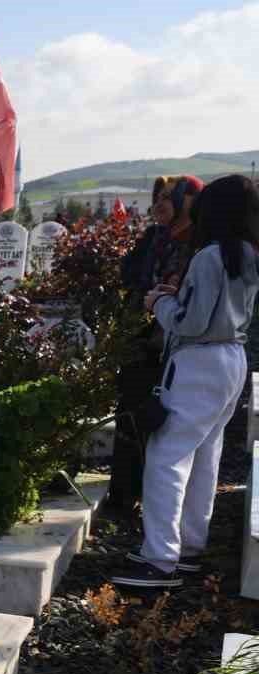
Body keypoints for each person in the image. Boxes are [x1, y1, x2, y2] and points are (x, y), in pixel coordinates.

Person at [110, 174, 258, 590]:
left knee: (166, 456)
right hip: (232, 357)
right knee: (205, 455)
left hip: (197, 362)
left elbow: (189, 322)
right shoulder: (247, 253)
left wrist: (160, 302)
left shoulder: (210, 256)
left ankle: (159, 558)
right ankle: (190, 547)